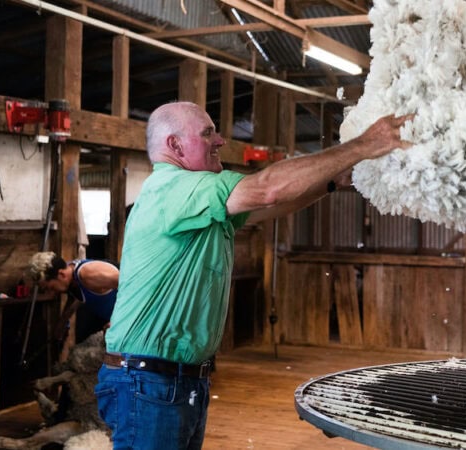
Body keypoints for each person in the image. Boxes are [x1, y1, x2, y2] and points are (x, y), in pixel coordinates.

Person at [96, 101, 412, 449]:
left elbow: (271, 204)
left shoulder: (199, 203)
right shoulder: (176, 188)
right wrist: (363, 144)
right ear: (175, 146)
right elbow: (266, 189)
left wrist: (329, 183)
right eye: (207, 134)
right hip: (149, 381)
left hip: (172, 381)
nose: (220, 141)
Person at [28, 251, 119, 342]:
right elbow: (74, 297)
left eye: (51, 287)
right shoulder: (69, 275)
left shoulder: (88, 274)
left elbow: (132, 284)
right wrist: (62, 323)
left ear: (61, 275)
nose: (51, 292)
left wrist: (121, 321)